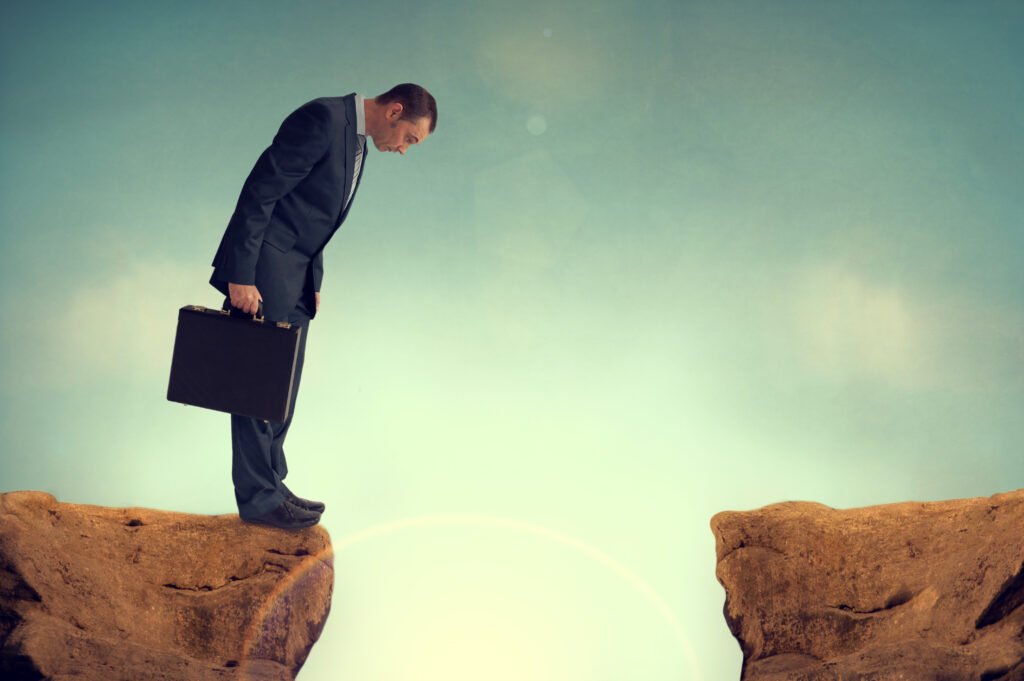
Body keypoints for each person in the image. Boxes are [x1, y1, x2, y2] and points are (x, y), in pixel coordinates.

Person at [208, 84, 437, 530]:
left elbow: (313, 213)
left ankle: (273, 483)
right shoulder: (323, 119)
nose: (405, 150)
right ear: (395, 111)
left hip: (296, 278)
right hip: (264, 271)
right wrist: (241, 275)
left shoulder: (358, 143)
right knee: (256, 386)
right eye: (411, 139)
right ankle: (258, 499)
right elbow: (262, 192)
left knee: (282, 388)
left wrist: (314, 279)